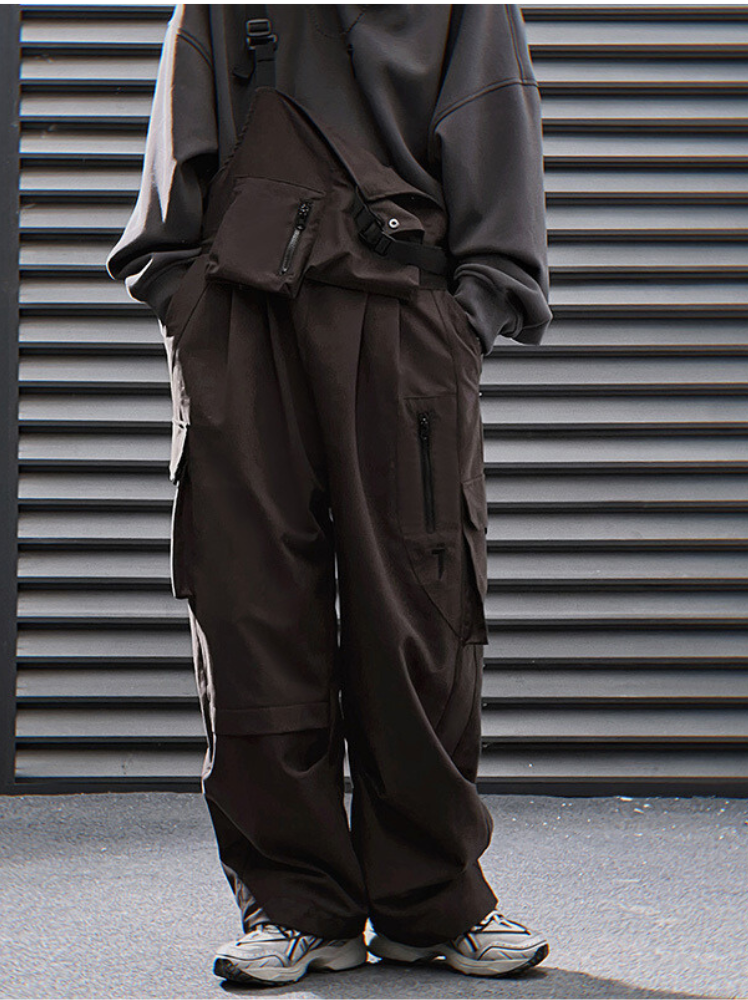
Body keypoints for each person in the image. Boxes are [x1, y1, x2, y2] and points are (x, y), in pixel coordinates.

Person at [107, 4, 552, 987]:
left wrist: (467, 315)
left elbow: (498, 138)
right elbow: (174, 161)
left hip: (404, 321)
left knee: (420, 609)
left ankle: (432, 901)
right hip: (242, 321)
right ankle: (294, 905)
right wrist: (187, 301)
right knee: (249, 609)